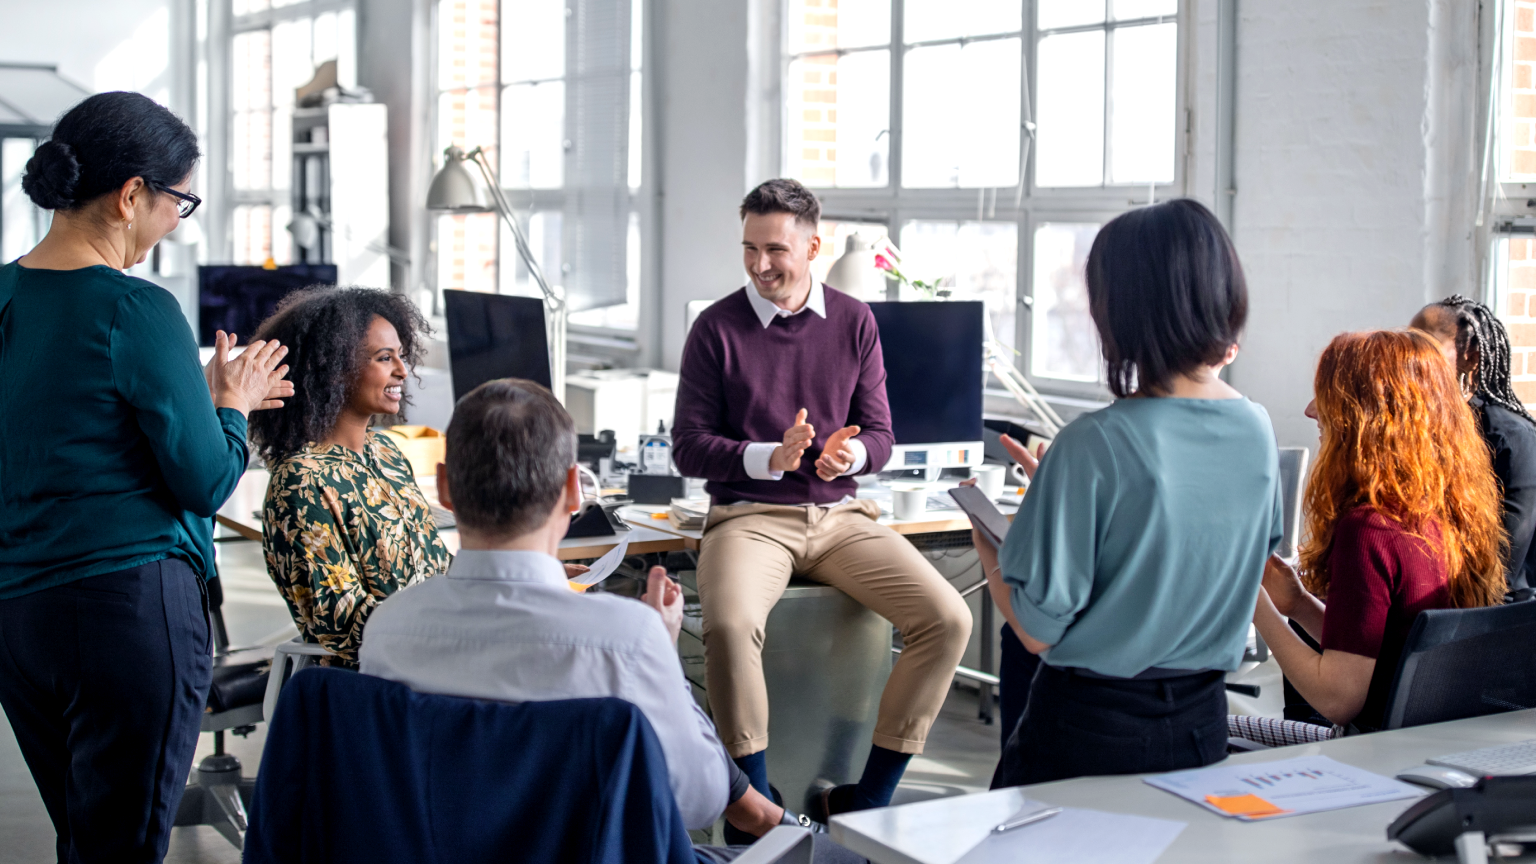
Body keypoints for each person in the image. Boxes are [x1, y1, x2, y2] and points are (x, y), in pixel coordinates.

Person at [359, 379, 863, 863]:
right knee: (841, 861)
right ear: (575, 491)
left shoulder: (388, 628)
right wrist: (661, 657)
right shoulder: (624, 638)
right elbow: (700, 800)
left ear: (445, 488)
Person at [0, 92, 290, 862]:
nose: (174, 224)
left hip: (18, 615)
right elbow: (204, 481)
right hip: (125, 617)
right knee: (122, 847)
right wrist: (231, 402)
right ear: (132, 194)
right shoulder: (138, 309)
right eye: (179, 202)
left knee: (84, 838)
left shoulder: (2, 294)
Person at [671, 179, 972, 817]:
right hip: (749, 518)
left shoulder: (855, 321)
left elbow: (883, 435)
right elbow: (689, 447)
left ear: (814, 245)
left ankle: (868, 799)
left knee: (948, 620)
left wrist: (850, 455)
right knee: (727, 626)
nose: (760, 265)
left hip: (841, 518)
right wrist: (767, 458)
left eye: (775, 249)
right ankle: (755, 804)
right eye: (749, 248)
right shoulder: (715, 329)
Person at [978, 198, 1283, 788]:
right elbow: (1197, 544)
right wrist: (1067, 501)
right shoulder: (1257, 429)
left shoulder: (1093, 443)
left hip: (1088, 730)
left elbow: (1038, 630)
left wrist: (990, 542)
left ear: (1120, 311)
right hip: (1200, 725)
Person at [1255, 329, 1506, 732]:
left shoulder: (1368, 529)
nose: (1309, 410)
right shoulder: (1444, 514)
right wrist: (1299, 605)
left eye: (1328, 397)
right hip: (1429, 747)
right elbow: (1386, 653)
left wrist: (1253, 604)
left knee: (1225, 729)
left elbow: (1337, 697)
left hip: (1371, 757)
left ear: (1367, 416)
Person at [248, 287, 453, 667]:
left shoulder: (386, 452)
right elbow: (344, 624)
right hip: (377, 678)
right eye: (384, 358)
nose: (402, 371)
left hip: (436, 654)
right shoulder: (302, 482)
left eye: (401, 356)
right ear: (334, 369)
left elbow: (437, 567)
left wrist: (524, 580)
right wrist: (459, 625)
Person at [1411, 296, 1536, 598]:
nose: (1411, 358)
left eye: (1424, 347)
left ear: (1471, 355)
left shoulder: (1513, 439)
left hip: (1497, 620)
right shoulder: (1419, 427)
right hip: (1435, 605)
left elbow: (1502, 570)